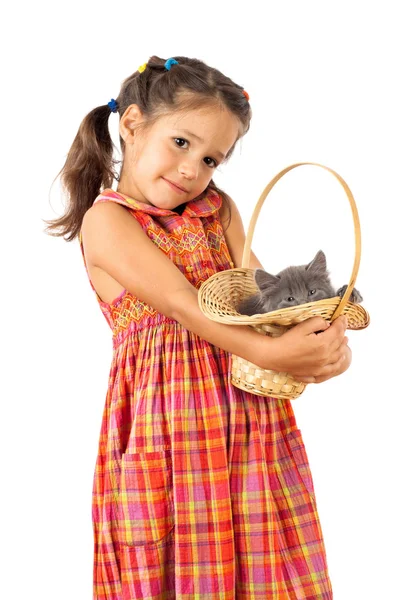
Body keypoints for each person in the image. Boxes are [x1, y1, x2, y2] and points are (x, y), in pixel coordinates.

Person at [45, 55, 350, 599]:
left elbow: (261, 304)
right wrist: (275, 356)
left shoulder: (220, 210)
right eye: (181, 143)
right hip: (169, 435)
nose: (193, 168)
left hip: (251, 426)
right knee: (181, 569)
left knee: (266, 563)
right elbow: (187, 306)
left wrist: (317, 344)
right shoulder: (108, 220)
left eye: (211, 158)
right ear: (132, 124)